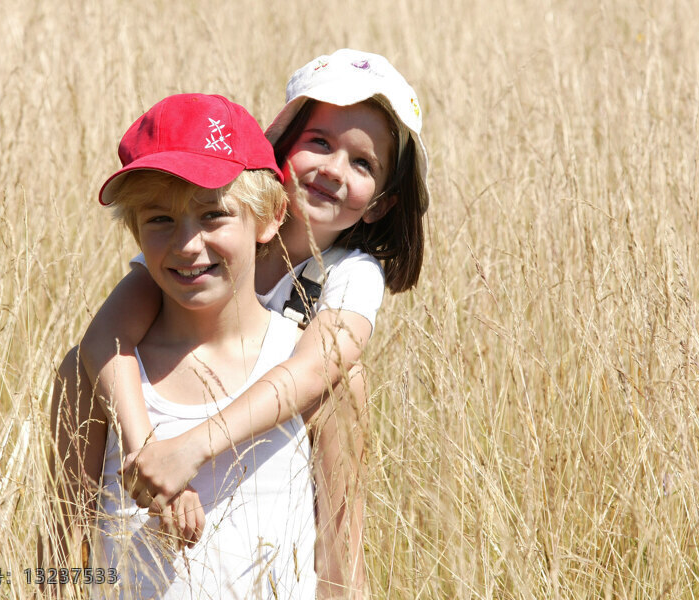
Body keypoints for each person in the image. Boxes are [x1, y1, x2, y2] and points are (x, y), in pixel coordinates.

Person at [49, 51, 429, 598]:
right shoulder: (174, 272)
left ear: (381, 204)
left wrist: (190, 449)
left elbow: (320, 367)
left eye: (363, 163)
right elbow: (104, 336)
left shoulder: (350, 276)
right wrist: (149, 452)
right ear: (278, 155)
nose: (333, 170)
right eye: (318, 142)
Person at [85, 92, 314, 598]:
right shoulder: (104, 370)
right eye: (159, 219)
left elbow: (344, 563)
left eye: (213, 215)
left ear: (272, 215)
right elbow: (62, 543)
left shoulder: (312, 370)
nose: (188, 244)